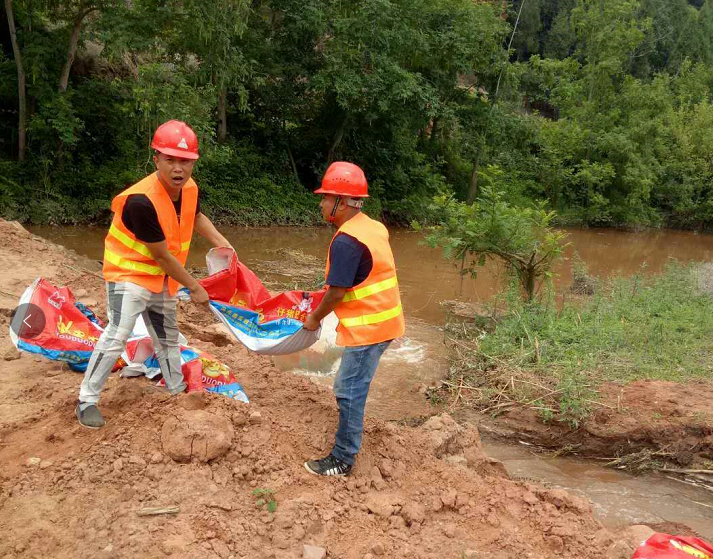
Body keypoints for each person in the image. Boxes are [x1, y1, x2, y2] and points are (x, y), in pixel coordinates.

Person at [76, 120, 233, 429]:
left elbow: (196, 216)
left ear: (194, 163)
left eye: (185, 161)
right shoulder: (141, 201)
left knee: (167, 336)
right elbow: (161, 255)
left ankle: (176, 390)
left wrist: (223, 244)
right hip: (129, 274)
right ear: (156, 159)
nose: (178, 168)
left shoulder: (189, 189)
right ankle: (86, 400)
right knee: (118, 334)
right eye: (170, 159)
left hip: (162, 277)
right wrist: (195, 287)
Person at [302, 162, 405, 476]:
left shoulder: (346, 241)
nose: (321, 204)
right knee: (354, 384)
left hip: (369, 328)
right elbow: (362, 276)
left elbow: (337, 292)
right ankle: (348, 443)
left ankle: (343, 459)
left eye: (325, 198)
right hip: (386, 321)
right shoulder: (372, 227)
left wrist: (314, 319)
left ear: (341, 202)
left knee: (348, 388)